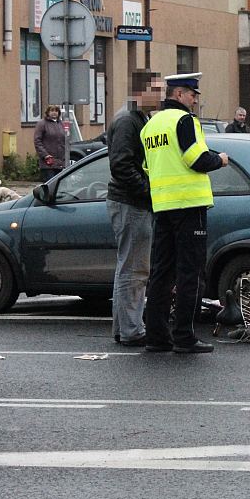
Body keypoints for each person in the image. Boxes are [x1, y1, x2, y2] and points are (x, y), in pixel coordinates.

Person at [141, 72, 228, 354]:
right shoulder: (185, 121)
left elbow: (146, 167)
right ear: (178, 95)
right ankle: (184, 337)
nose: (194, 100)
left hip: (163, 206)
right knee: (190, 273)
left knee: (161, 273)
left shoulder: (151, 125)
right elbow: (197, 159)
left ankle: (156, 336)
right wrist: (220, 160)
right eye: (192, 95)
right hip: (190, 206)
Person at [106, 72, 164, 346]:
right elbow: (121, 166)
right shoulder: (129, 121)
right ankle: (131, 330)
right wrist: (148, 192)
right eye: (156, 89)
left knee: (127, 267)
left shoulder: (135, 118)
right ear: (141, 92)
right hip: (131, 203)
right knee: (135, 270)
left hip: (129, 202)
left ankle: (123, 328)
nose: (161, 96)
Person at [34, 105, 66, 181]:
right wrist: (45, 155)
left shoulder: (61, 124)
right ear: (48, 112)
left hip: (59, 162)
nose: (54, 113)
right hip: (48, 162)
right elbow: (37, 140)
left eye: (56, 111)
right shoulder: (42, 124)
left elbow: (65, 139)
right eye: (52, 111)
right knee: (50, 184)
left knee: (58, 184)